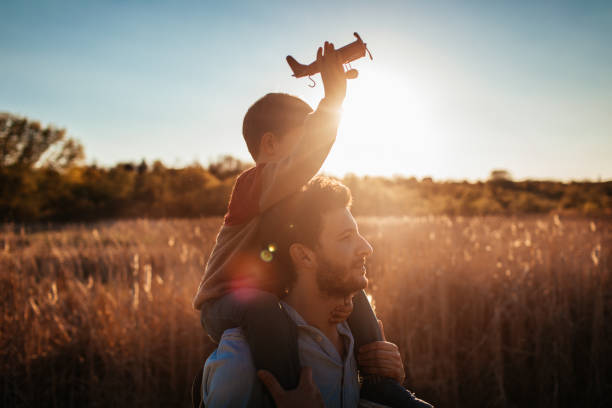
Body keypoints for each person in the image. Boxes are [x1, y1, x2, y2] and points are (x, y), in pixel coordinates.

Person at [193, 40, 427, 406]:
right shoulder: (253, 185)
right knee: (264, 311)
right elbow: (303, 164)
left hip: (267, 297)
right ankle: (290, 392)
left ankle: (378, 378)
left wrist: (338, 305)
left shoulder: (294, 202)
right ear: (269, 145)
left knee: (355, 291)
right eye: (305, 137)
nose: (312, 156)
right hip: (225, 302)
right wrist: (331, 102)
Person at [201, 177, 432, 407]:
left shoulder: (359, 343)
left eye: (358, 234)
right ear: (304, 256)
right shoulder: (243, 359)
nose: (367, 248)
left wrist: (389, 388)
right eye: (346, 238)